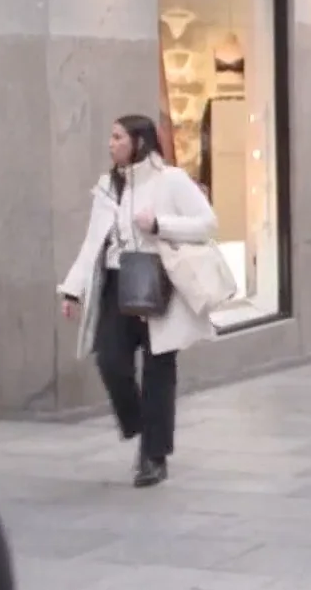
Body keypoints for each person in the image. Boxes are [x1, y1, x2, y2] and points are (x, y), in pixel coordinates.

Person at [57, 115, 219, 487]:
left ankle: (153, 455)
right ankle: (139, 424)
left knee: (159, 369)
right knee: (110, 360)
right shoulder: (107, 187)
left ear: (139, 142)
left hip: (158, 281)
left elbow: (208, 223)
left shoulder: (171, 181)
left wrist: (160, 224)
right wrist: (72, 288)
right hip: (116, 283)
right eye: (111, 137)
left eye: (118, 137)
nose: (110, 144)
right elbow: (92, 242)